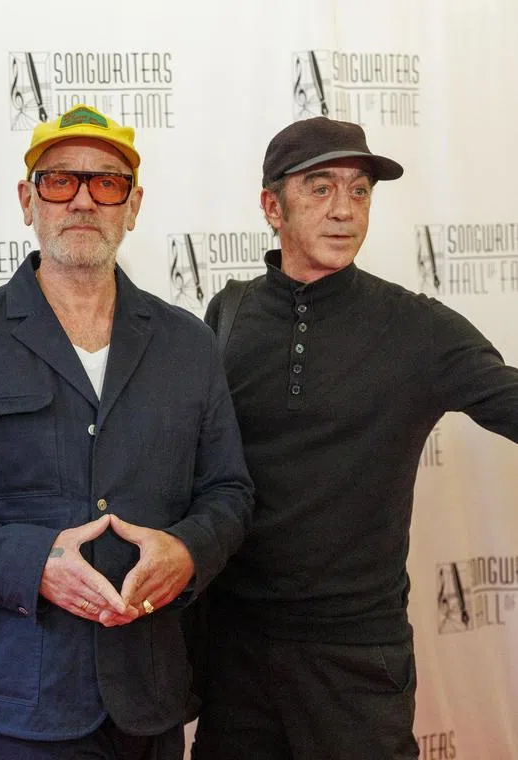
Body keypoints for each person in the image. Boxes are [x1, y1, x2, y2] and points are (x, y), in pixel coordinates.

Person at [0, 104, 253, 760]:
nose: (83, 198)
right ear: (28, 200)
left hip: (152, 697)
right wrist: (33, 566)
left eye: (106, 182)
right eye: (60, 180)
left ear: (132, 205)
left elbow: (228, 491)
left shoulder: (188, 344)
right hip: (27, 700)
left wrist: (188, 552)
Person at [192, 116, 518, 760]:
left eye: (360, 191)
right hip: (233, 654)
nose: (345, 209)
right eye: (320, 188)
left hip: (355, 660)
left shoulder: (417, 328)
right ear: (271, 206)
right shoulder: (226, 315)